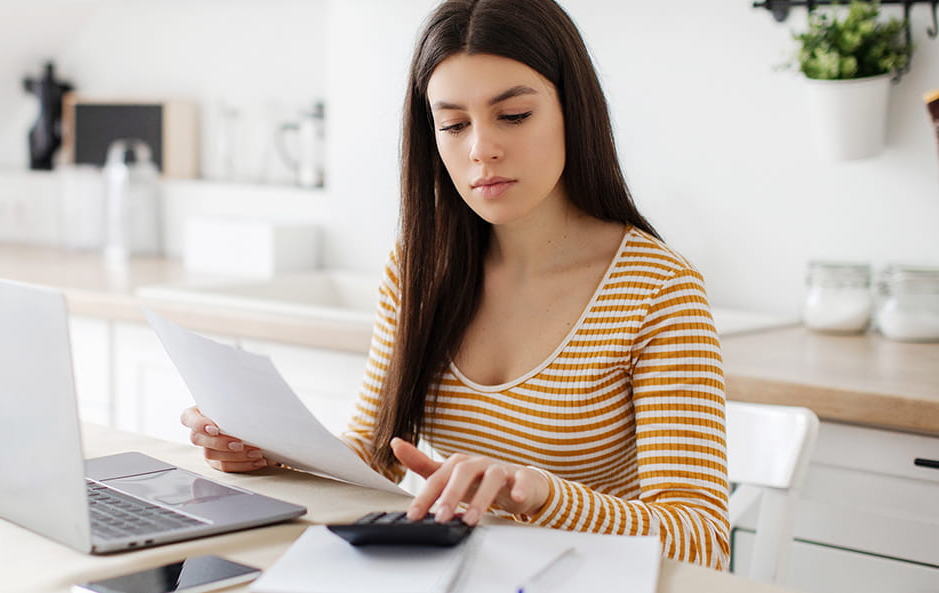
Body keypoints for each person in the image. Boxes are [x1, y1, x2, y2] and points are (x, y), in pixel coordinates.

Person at [181, 0, 729, 570]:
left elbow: (703, 539)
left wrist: (541, 494)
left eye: (513, 116)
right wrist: (265, 451)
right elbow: (375, 459)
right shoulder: (420, 268)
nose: (480, 150)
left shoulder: (659, 290)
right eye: (454, 124)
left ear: (574, 109)